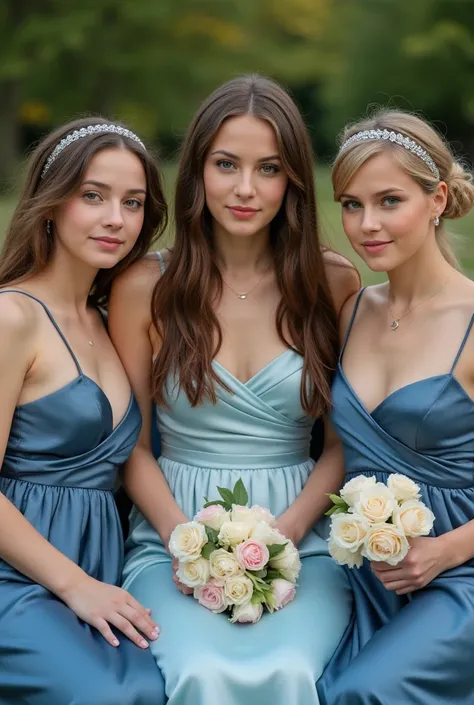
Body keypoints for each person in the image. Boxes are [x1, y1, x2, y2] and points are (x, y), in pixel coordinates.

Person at [109, 74, 359, 705]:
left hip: (305, 536)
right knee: (201, 673)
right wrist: (188, 544)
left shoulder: (333, 285)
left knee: (291, 670)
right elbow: (131, 446)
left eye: (268, 168)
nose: (246, 189)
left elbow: (342, 442)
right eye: (226, 164)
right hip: (171, 528)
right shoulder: (145, 285)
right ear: (197, 173)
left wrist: (286, 534)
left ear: (293, 181)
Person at [0, 117, 168, 704]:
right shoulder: (13, 318)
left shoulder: (106, 319)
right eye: (92, 196)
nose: (115, 219)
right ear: (50, 203)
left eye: (133, 202)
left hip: (103, 566)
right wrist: (76, 586)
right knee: (107, 694)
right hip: (22, 574)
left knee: (157, 682)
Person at [317, 110, 474, 705]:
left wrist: (445, 551)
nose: (366, 224)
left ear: (436, 199)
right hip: (362, 569)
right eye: (351, 205)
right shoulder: (351, 311)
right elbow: (334, 449)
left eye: (388, 201)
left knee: (364, 691)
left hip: (457, 569)